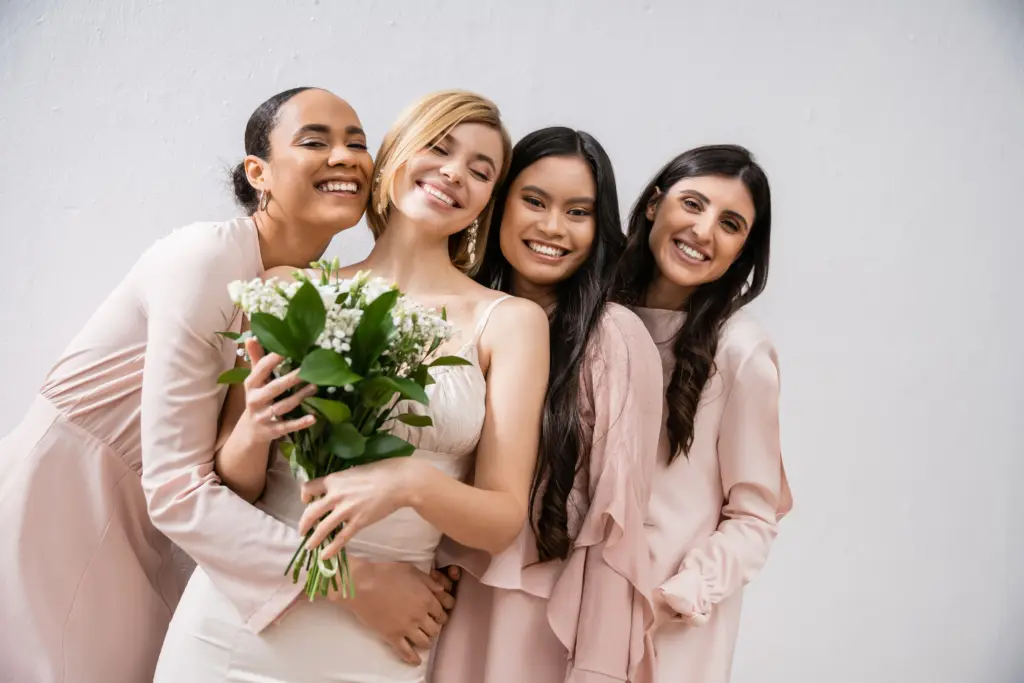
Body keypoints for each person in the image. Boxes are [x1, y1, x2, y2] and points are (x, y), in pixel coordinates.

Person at [156, 90, 550, 683]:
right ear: (394, 157)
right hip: (237, 628)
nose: (453, 173)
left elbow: (500, 519)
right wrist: (254, 427)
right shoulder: (289, 288)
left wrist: (410, 480)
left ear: (485, 203)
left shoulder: (511, 322)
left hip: (386, 636)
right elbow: (233, 485)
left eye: (480, 170)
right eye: (439, 148)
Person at [0, 87, 379, 682]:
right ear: (259, 172)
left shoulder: (310, 290)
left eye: (357, 143)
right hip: (65, 508)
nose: (345, 156)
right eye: (316, 141)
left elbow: (235, 466)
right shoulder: (205, 258)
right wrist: (356, 583)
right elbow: (177, 485)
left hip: (164, 531)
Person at [430, 126, 664, 682]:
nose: (553, 228)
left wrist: (597, 670)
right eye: (534, 201)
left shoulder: (615, 339)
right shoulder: (454, 315)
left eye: (578, 211)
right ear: (499, 203)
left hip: (541, 623)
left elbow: (618, 532)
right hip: (435, 604)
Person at [614, 145, 793, 683]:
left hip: (664, 628)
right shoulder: (589, 318)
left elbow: (755, 516)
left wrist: (676, 595)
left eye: (731, 224)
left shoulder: (740, 351)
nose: (703, 230)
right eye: (692, 204)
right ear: (653, 204)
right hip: (567, 602)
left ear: (741, 251)